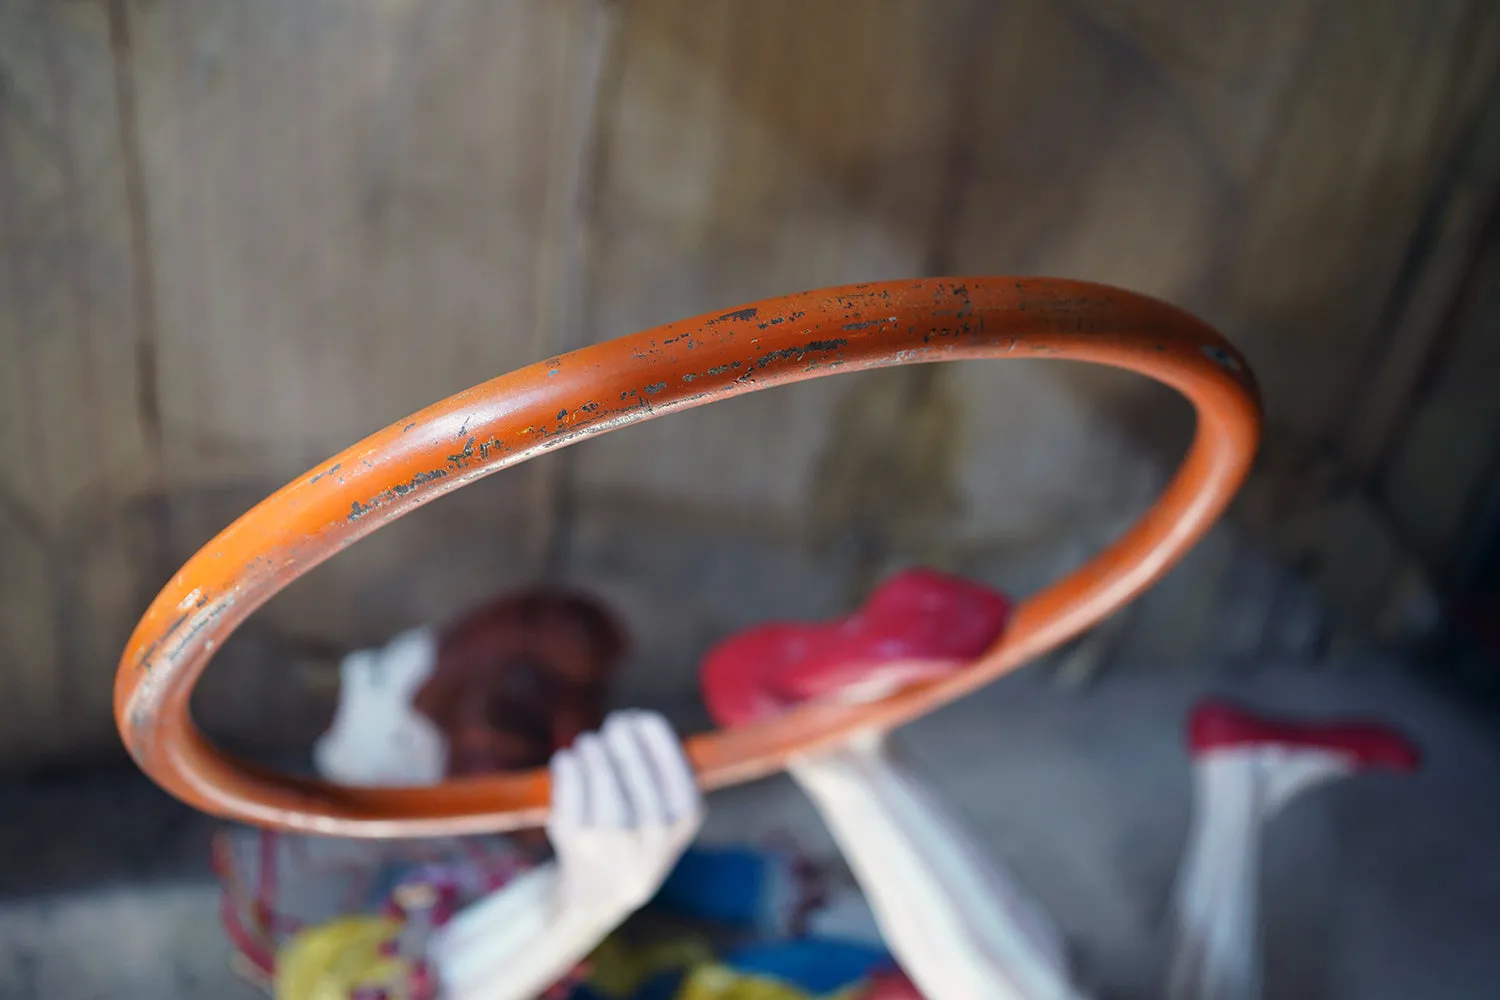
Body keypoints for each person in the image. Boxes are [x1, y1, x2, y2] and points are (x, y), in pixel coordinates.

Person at [237, 574, 1418, 1000]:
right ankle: (1235, 789)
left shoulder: (543, 848)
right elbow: (401, 993)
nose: (357, 670)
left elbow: (760, 894)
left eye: (385, 669)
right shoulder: (320, 902)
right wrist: (578, 901)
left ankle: (844, 752)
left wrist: (857, 914)